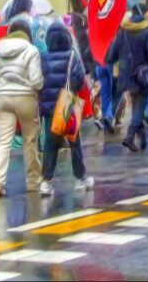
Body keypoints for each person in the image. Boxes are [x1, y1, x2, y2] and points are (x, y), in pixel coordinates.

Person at [0, 21, 44, 197]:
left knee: (4, 141)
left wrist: (4, 87)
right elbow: (36, 81)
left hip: (3, 98)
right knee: (30, 140)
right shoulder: (31, 50)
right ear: (28, 34)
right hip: (26, 98)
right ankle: (33, 182)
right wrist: (38, 85)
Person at [38, 23, 92, 195]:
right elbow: (80, 80)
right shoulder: (72, 56)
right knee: (74, 143)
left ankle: (46, 181)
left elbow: (39, 80)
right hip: (67, 104)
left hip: (48, 106)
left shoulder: (43, 57)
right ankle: (80, 178)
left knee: (50, 144)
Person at [107, 5, 148, 152]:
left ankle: (142, 138)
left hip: (127, 75)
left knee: (137, 105)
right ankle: (129, 137)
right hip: (143, 75)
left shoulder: (123, 32)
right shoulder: (147, 32)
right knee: (139, 106)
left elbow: (112, 54)